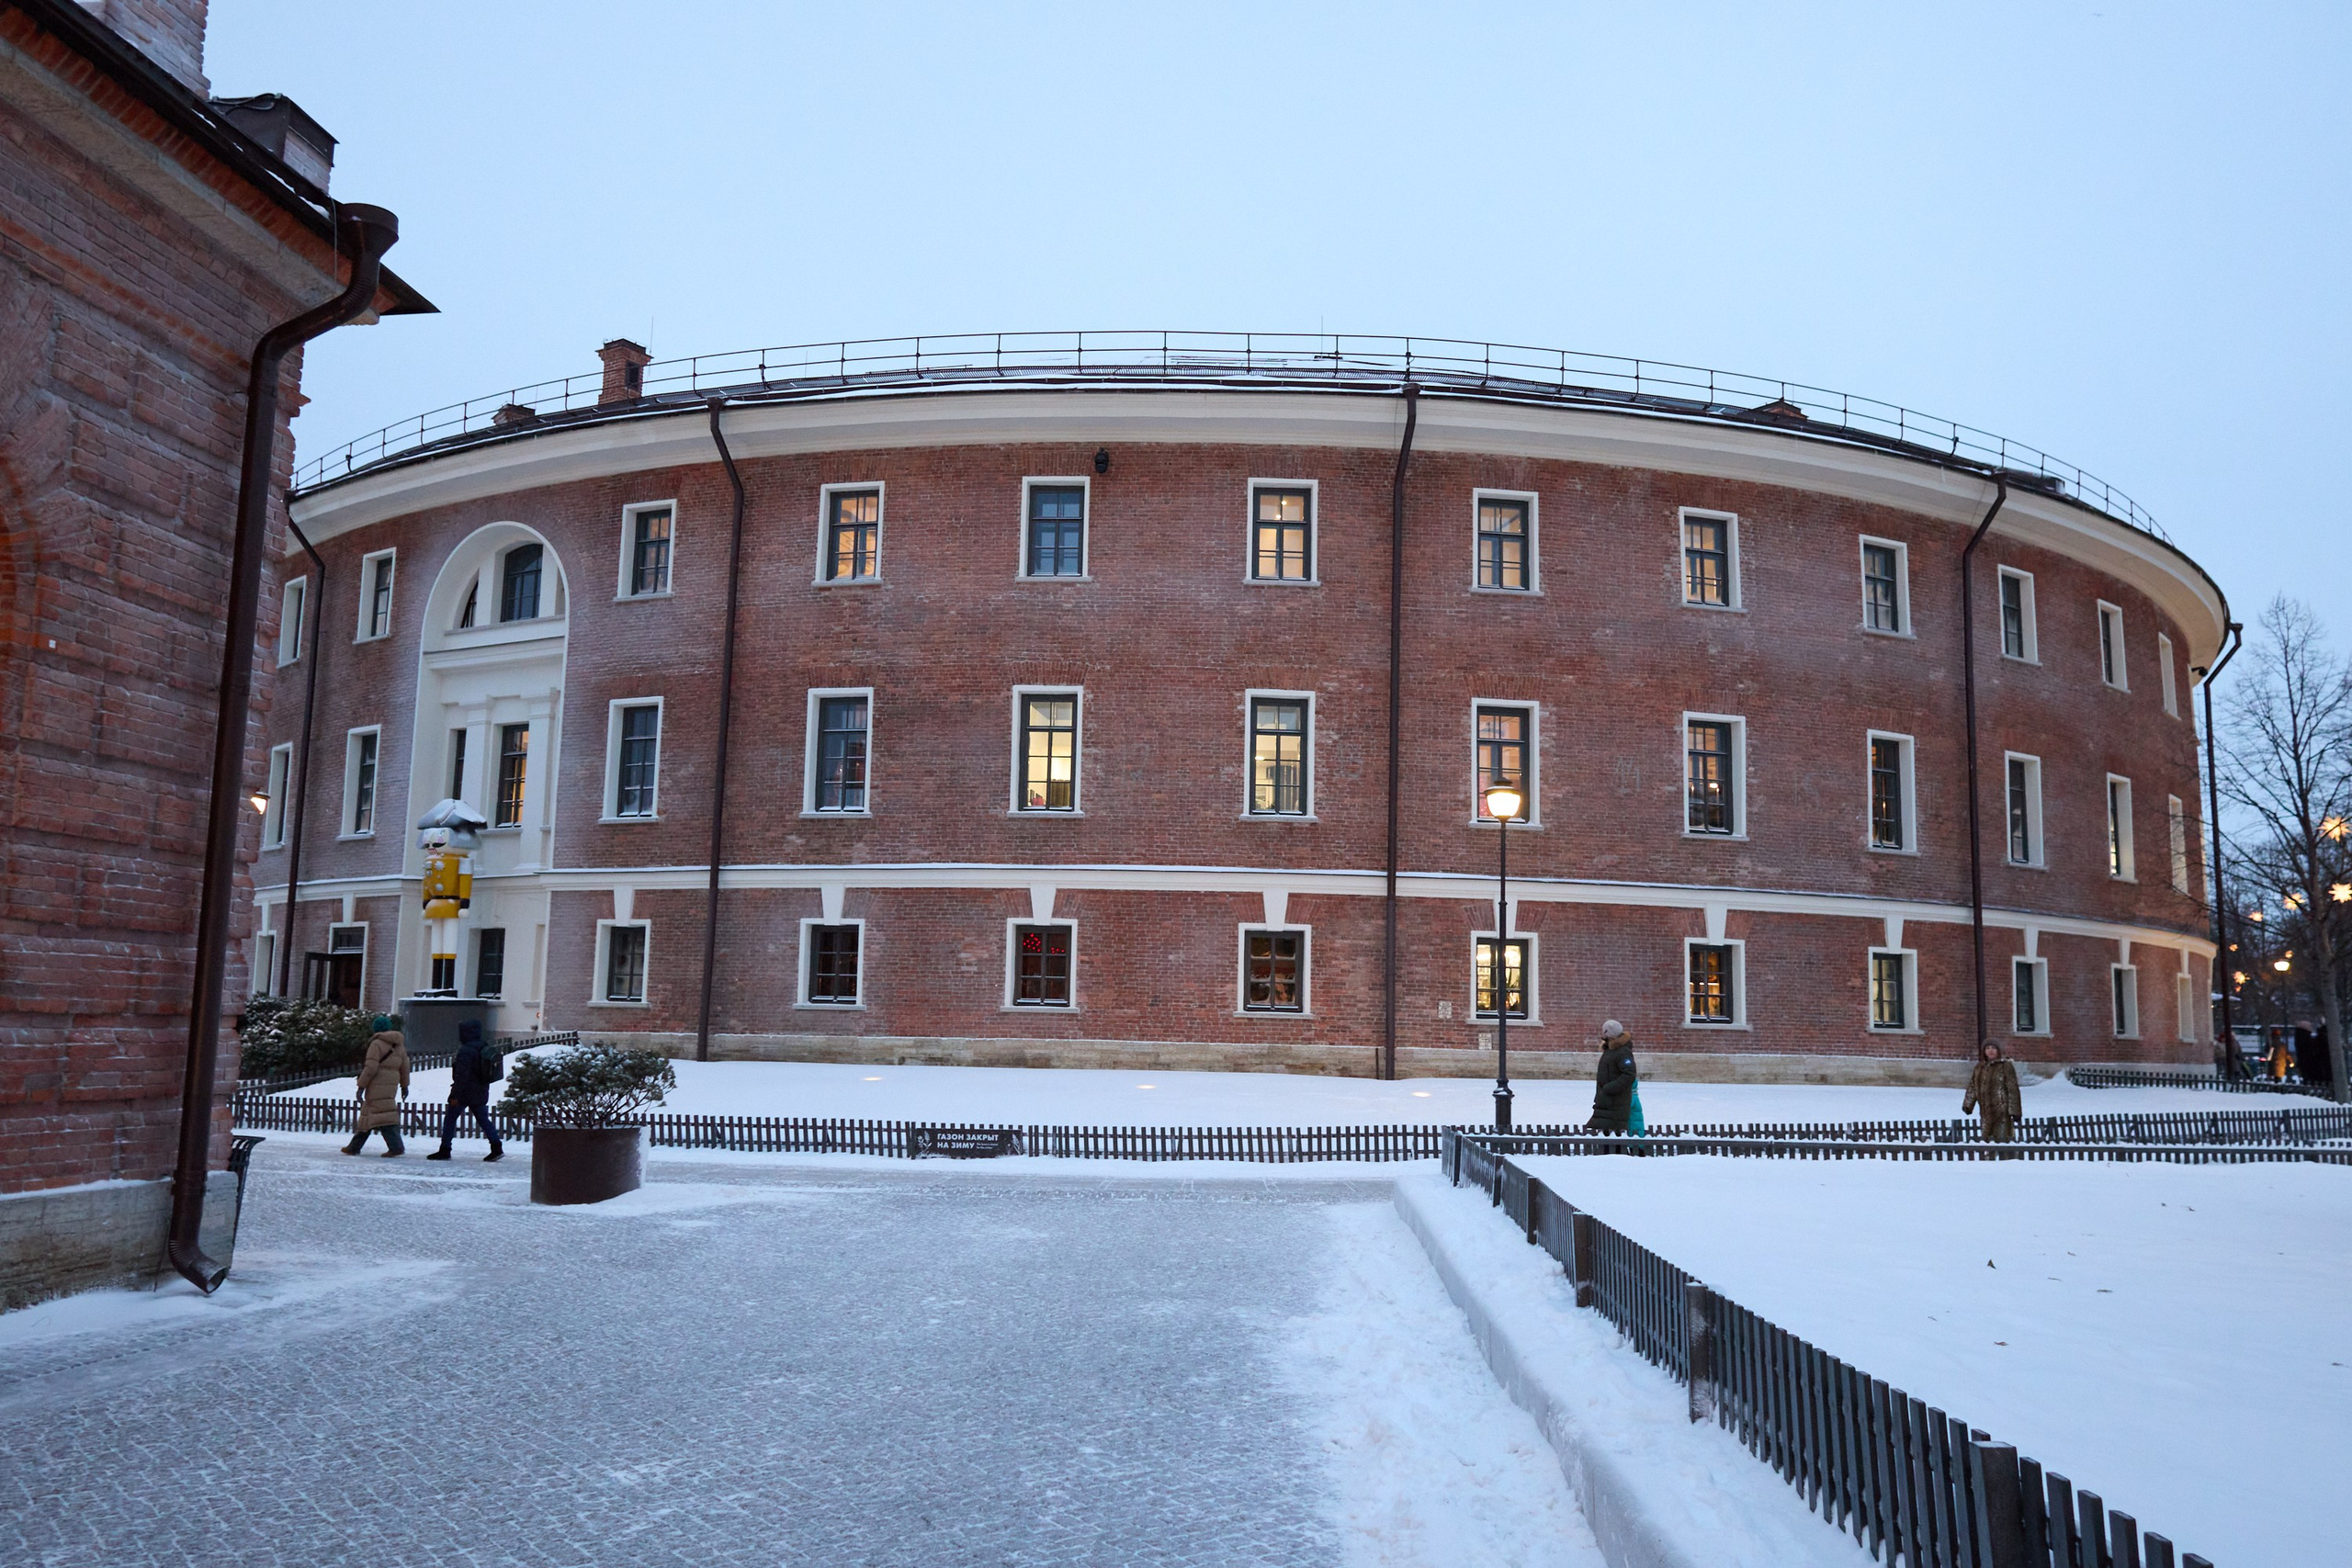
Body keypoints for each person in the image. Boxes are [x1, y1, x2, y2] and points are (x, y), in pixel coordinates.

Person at [426, 1019, 503, 1163]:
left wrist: (455, 1095)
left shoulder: (465, 1051)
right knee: (483, 1119)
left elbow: (461, 1076)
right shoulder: (483, 1047)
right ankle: (496, 1147)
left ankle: (445, 1149)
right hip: (481, 1089)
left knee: (450, 1119)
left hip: (465, 1092)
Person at [344, 1018, 410, 1156]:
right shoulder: (399, 1046)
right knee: (369, 1113)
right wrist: (404, 1086)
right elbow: (405, 1068)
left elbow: (371, 1067)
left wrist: (361, 1085)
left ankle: (396, 1147)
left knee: (382, 1115)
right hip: (391, 1085)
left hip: (376, 1084)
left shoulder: (376, 1044)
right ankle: (354, 1146)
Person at [1962, 1039, 2022, 1144]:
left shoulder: (2005, 1066)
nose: (1991, 1051)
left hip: (2002, 1110)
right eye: (1988, 1048)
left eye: (1993, 1048)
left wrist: (2015, 1111)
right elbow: (1973, 1087)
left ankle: (2007, 1158)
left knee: (2002, 1139)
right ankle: (1989, 1158)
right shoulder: (1979, 1068)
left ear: (1998, 1050)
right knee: (1986, 1140)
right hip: (1985, 1110)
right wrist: (1968, 1105)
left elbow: (2013, 1089)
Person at [1585, 1021, 1637, 1134]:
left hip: (1615, 1103)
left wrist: (1609, 1088)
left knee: (1613, 1138)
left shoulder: (1623, 1052)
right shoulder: (1610, 1050)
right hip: (1606, 1101)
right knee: (1605, 1137)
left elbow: (1629, 1074)